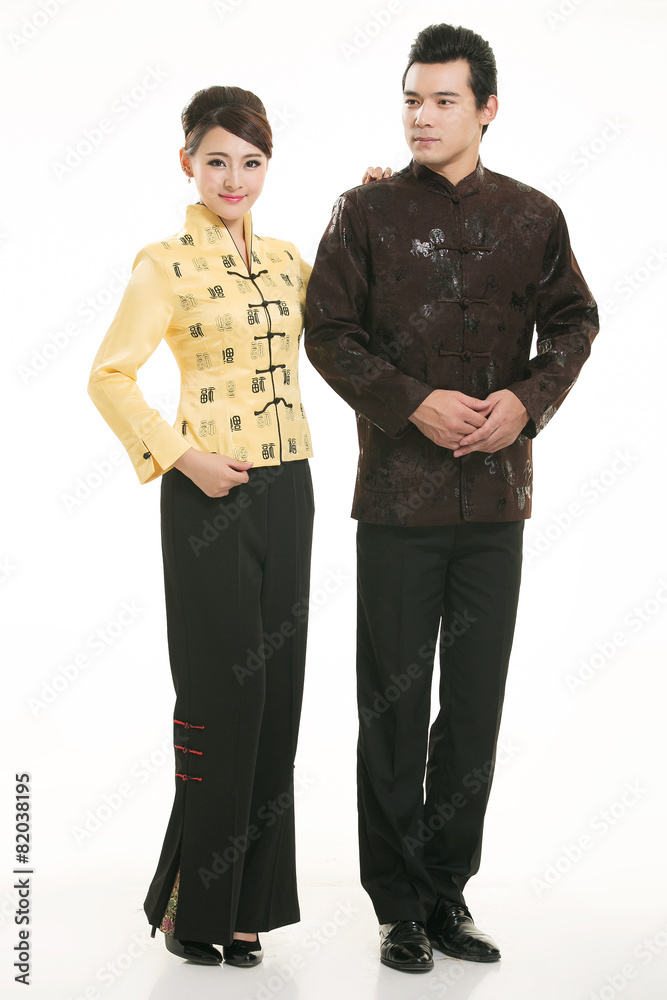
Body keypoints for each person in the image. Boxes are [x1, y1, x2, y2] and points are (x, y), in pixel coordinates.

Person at [305, 24, 598, 974]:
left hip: (495, 507)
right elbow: (329, 331)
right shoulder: (364, 212)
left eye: (442, 100)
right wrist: (408, 402)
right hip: (396, 500)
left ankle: (445, 893)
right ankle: (395, 906)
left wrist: (525, 399)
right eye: (411, 99)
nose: (421, 116)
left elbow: (574, 320)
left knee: (472, 709)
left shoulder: (534, 216)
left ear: (486, 109)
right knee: (392, 709)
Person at [87, 85, 316, 968]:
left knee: (280, 699)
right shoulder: (163, 263)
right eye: (216, 159)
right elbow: (110, 376)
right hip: (207, 494)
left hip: (288, 487)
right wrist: (183, 457)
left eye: (251, 162)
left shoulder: (293, 260)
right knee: (227, 700)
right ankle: (195, 908)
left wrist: (371, 198)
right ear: (186, 159)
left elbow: (345, 316)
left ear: (267, 167)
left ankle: (249, 906)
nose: (234, 177)